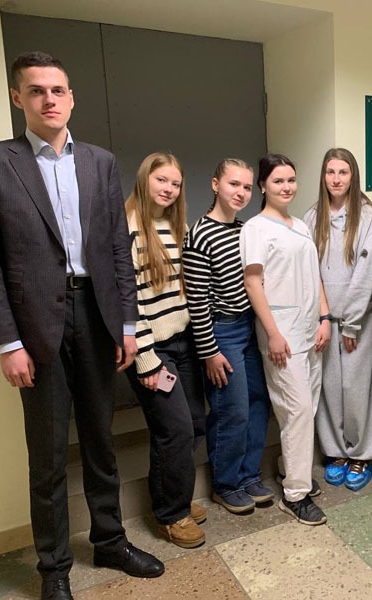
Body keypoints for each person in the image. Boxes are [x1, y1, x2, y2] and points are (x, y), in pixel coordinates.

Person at [0, 51, 163, 600]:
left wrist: (127, 323)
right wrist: (8, 342)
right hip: (35, 327)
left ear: (71, 97)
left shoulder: (100, 162)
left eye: (57, 90)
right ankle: (53, 568)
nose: (49, 100)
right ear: (18, 98)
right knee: (49, 453)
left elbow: (117, 250)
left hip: (97, 317)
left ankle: (110, 541)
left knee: (101, 439)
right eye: (36, 91)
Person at [240, 154, 332, 526]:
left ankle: (288, 467)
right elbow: (253, 283)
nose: (287, 187)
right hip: (282, 332)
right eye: (278, 180)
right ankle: (295, 494)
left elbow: (315, 274)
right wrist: (273, 333)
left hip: (310, 329)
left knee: (307, 407)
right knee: (296, 410)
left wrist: (325, 316)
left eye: (291, 179)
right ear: (263, 185)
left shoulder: (301, 225)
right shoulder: (255, 228)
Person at [124, 152, 207, 548]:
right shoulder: (127, 228)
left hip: (183, 341)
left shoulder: (177, 225)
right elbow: (128, 300)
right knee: (174, 430)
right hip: (153, 348)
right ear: (145, 179)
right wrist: (146, 359)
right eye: (162, 180)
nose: (169, 189)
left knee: (194, 423)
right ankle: (171, 515)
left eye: (175, 183)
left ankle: (174, 494)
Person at [183, 158, 273, 515]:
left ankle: (249, 475)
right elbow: (196, 299)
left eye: (247, 187)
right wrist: (209, 352)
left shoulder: (244, 230)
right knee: (230, 410)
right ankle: (226, 483)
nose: (241, 192)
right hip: (221, 333)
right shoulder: (199, 234)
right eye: (234, 184)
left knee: (257, 404)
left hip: (248, 327)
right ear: (215, 184)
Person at [303, 148, 372, 492]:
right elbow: (310, 271)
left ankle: (361, 453)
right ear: (323, 176)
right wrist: (322, 316)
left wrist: (350, 321)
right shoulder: (312, 217)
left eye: (343, 172)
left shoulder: (368, 216)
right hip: (323, 320)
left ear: (353, 176)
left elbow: (365, 274)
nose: (336, 179)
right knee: (329, 389)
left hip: (357, 321)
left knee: (356, 388)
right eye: (330, 172)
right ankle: (336, 452)